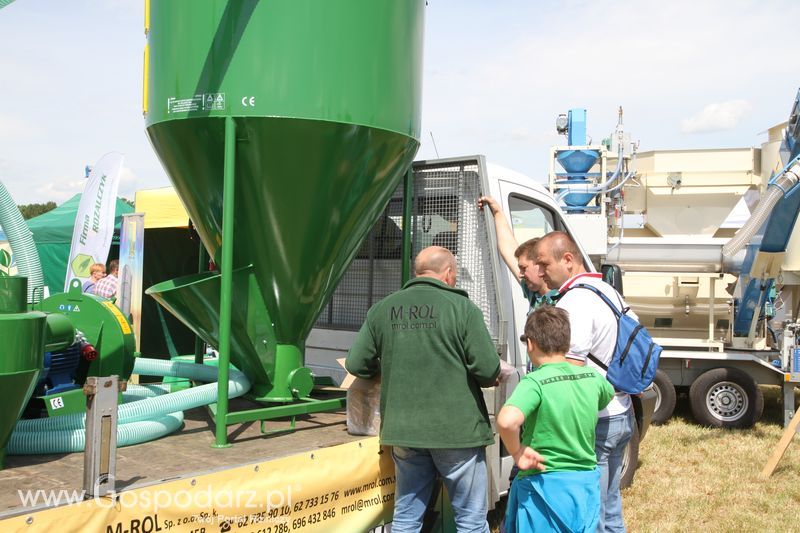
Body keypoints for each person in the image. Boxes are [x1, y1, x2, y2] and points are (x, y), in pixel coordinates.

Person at [345, 246, 501, 533]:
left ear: (417, 273)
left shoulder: (382, 309)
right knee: (470, 520)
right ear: (449, 273)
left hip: (404, 431)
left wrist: (383, 367)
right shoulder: (463, 309)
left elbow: (356, 363)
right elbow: (488, 370)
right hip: (458, 432)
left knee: (406, 517)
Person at [534, 231, 636, 533]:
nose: (540, 272)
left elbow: (570, 372)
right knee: (611, 507)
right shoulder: (607, 291)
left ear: (567, 260)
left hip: (598, 420)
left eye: (544, 264)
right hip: (622, 410)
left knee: (592, 514)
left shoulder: (575, 301)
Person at [498, 306, 614, 532]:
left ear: (530, 343)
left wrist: (517, 452)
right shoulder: (592, 378)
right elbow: (606, 395)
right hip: (585, 486)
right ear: (567, 344)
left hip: (544, 485)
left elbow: (507, 421)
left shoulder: (535, 382)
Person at [477, 196, 557, 312]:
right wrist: (497, 213)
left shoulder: (562, 299)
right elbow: (508, 249)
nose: (520, 274)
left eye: (524, 268)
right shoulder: (534, 293)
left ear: (540, 264)